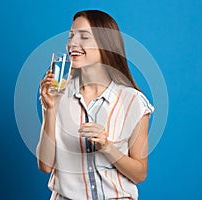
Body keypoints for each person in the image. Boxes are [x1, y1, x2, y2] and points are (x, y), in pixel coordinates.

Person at [36, 10, 154, 200]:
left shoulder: (134, 102)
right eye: (71, 36)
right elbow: (45, 165)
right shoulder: (58, 94)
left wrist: (107, 147)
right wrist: (49, 109)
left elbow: (139, 174)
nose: (72, 44)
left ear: (105, 45)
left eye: (84, 37)